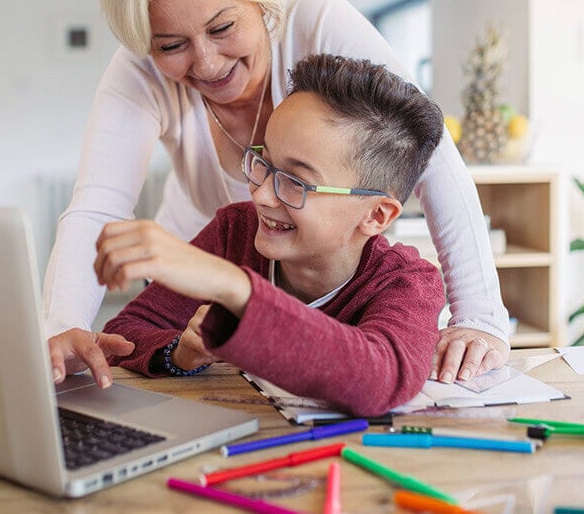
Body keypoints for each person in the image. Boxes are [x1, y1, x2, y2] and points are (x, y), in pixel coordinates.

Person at [43, 0, 509, 386]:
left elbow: (430, 156)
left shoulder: (316, 21)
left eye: (222, 27)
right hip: (208, 253)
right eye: (172, 45)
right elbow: (98, 206)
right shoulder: (146, 84)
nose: (206, 62)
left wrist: (479, 315)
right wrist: (62, 328)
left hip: (313, 265)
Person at [51, 54, 446, 416]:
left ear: (377, 214)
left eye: (295, 182)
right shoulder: (235, 232)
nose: (259, 194)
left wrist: (233, 287)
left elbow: (380, 379)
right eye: (264, 163)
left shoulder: (408, 282)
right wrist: (180, 354)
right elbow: (126, 333)